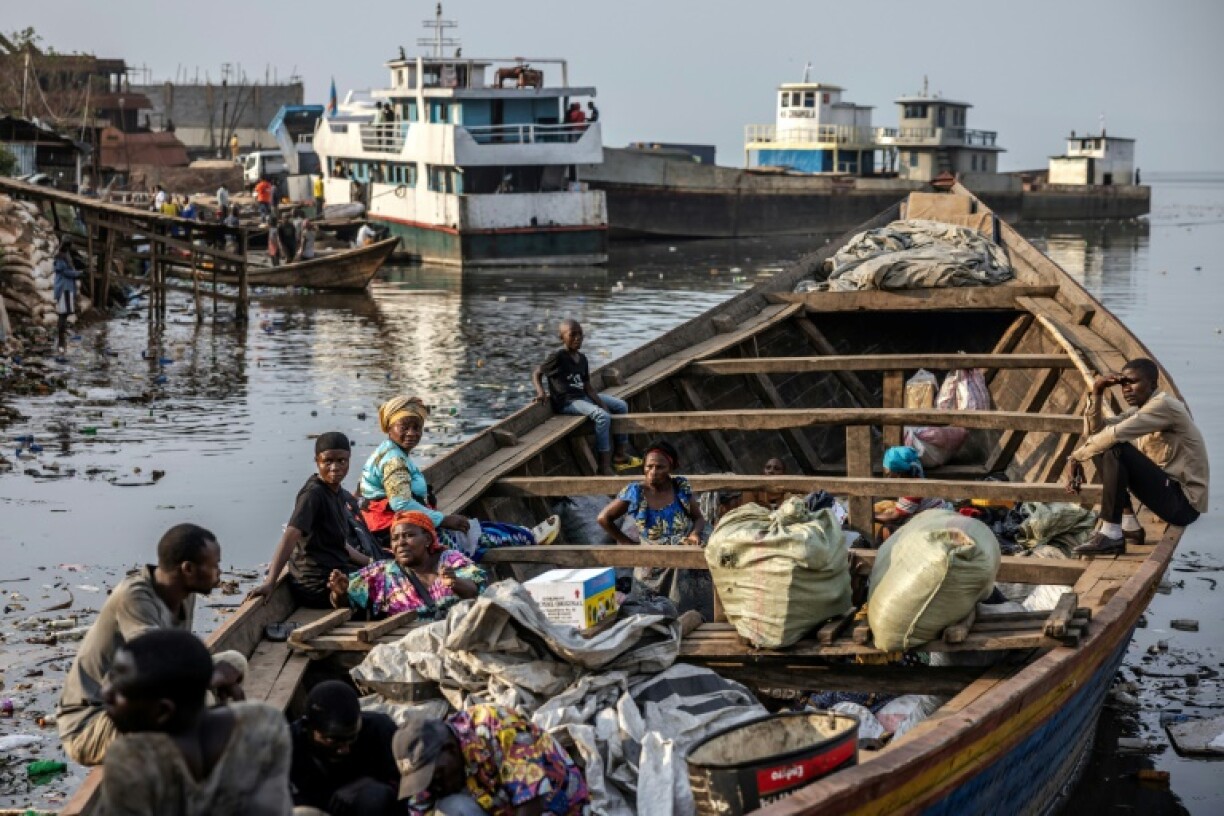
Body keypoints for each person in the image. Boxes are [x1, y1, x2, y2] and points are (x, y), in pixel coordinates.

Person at [58, 524, 246, 767]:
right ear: (188, 569)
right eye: (214, 565)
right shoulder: (135, 597)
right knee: (196, 700)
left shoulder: (185, 593)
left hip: (139, 703)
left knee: (234, 660)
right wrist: (210, 679)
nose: (219, 572)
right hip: (95, 721)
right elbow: (157, 672)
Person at [98, 629, 292, 816]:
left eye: (120, 689)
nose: (105, 694)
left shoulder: (130, 759)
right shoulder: (265, 720)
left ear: (162, 711)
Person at [359, 396, 557, 553]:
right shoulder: (394, 461)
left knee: (473, 527)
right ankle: (526, 538)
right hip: (396, 531)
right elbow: (400, 504)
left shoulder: (387, 451)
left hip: (400, 522)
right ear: (390, 428)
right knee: (472, 537)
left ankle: (526, 535)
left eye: (416, 427)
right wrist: (441, 519)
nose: (411, 433)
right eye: (404, 427)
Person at [1064, 358, 1208, 555]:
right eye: (1123, 384)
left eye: (1133, 382)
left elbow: (1113, 435)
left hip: (1183, 505)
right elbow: (1095, 433)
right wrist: (1097, 391)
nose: (1126, 389)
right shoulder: (1139, 409)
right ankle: (1129, 525)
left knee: (1114, 447)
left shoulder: (1164, 405)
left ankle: (1111, 534)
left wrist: (1075, 457)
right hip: (1166, 493)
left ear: (1153, 384)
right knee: (1103, 445)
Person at [249, 433, 376, 609]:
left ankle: (343, 592)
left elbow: (341, 545)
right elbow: (290, 536)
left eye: (342, 461)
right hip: (316, 583)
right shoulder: (313, 495)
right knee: (391, 590)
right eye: (328, 461)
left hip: (338, 571)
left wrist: (373, 562)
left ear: (349, 460)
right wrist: (270, 582)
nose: (335, 467)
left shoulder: (336, 492)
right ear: (317, 461)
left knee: (389, 574)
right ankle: (339, 595)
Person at [393, 704, 590, 816]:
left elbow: (531, 804)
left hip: (550, 807)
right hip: (493, 804)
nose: (433, 786)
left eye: (435, 777)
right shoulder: (434, 767)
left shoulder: (499, 726)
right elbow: (419, 808)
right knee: (450, 808)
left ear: (450, 749)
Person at [597, 441, 707, 610]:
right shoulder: (636, 492)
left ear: (671, 467)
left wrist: (695, 534)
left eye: (660, 467)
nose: (653, 472)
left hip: (684, 549)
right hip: (653, 559)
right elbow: (604, 518)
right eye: (649, 467)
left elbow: (699, 518)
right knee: (650, 607)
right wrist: (627, 543)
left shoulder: (679, 487)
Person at [328, 511, 488, 620]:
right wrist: (339, 593)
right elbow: (347, 603)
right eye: (395, 538)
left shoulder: (450, 560)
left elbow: (474, 589)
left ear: (427, 539)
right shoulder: (383, 573)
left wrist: (455, 582)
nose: (401, 543)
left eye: (409, 535)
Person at [533, 319, 634, 475]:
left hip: (582, 396)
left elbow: (588, 387)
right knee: (602, 417)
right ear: (562, 337)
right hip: (567, 401)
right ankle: (604, 465)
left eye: (580, 334)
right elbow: (537, 373)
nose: (577, 338)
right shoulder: (558, 356)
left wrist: (602, 404)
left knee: (621, 405)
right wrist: (541, 392)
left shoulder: (582, 359)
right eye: (573, 334)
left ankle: (620, 454)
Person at [289, 681, 400, 815]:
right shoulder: (286, 746)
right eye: (333, 741)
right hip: (313, 809)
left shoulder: (380, 730)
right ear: (308, 728)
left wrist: (363, 784)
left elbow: (404, 783)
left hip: (364, 808)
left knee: (376, 796)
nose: (345, 749)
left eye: (352, 738)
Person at [873, 446, 950, 540]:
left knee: (886, 530)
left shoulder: (913, 489)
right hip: (935, 515)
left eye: (888, 474)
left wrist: (871, 515)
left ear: (898, 474)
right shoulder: (915, 478)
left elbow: (894, 516)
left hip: (936, 522)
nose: (888, 478)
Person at [53, 239, 83, 353]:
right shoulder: (61, 258)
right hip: (64, 289)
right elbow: (66, 272)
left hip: (67, 289)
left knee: (64, 315)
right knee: (63, 314)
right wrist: (79, 274)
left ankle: (62, 340)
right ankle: (61, 341)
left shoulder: (63, 256)